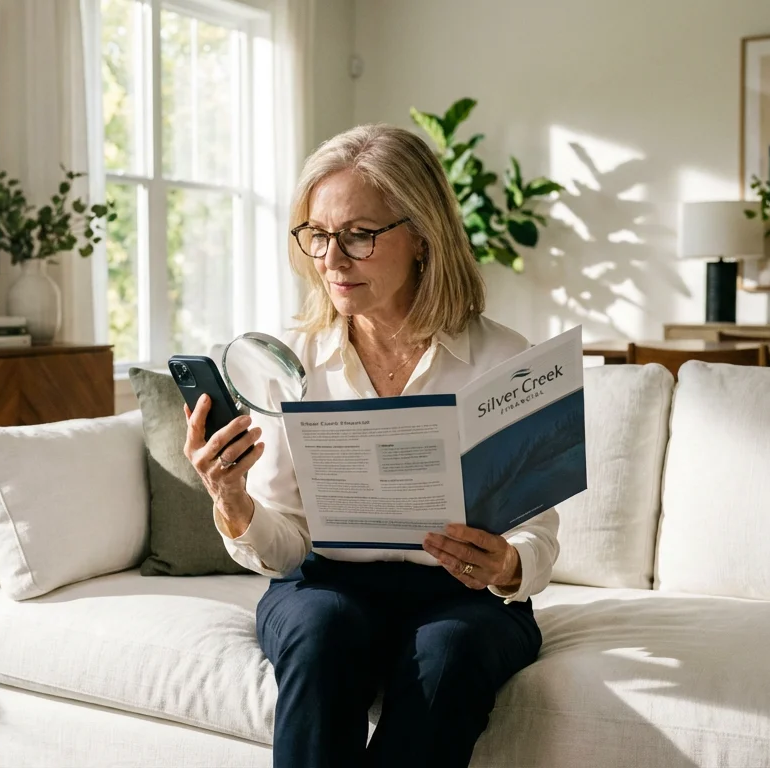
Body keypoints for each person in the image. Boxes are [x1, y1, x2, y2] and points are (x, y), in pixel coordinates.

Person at [182, 123, 559, 768]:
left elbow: (538, 539)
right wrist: (233, 501)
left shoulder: (507, 360)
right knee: (322, 630)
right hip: (323, 586)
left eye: (359, 235)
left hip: (461, 598)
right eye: (318, 235)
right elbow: (286, 548)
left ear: (421, 236)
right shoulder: (291, 361)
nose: (332, 259)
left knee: (451, 652)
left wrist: (505, 566)